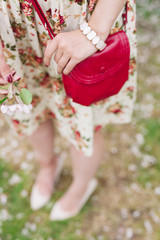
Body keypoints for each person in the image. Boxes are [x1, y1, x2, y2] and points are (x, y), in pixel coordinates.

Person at [0, 0, 137, 221]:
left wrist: (94, 31)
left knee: (84, 119)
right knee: (30, 107)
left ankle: (81, 185)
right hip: (14, 23)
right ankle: (48, 165)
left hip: (83, 20)